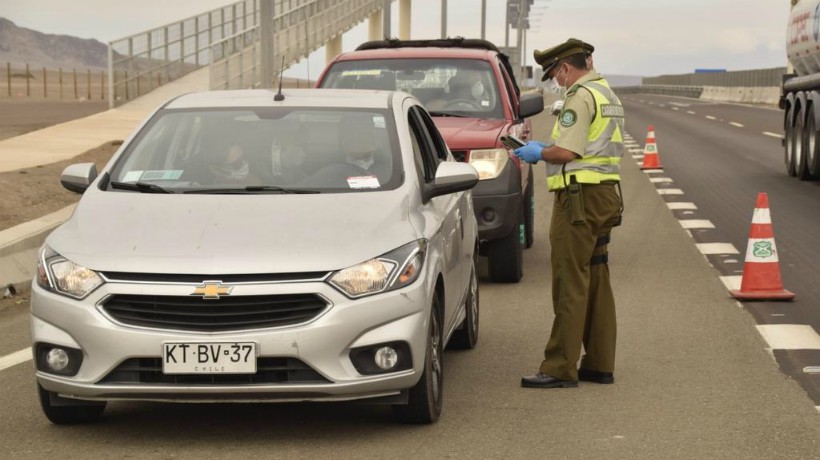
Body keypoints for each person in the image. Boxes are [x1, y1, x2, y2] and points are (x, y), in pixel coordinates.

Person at [513, 38, 625, 389]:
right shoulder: (608, 93)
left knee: (569, 280)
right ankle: (599, 363)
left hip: (579, 199)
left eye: (555, 75)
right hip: (606, 195)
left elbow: (568, 152)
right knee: (597, 278)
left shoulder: (580, 95)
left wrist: (538, 152)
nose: (556, 82)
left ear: (565, 67)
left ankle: (561, 367)